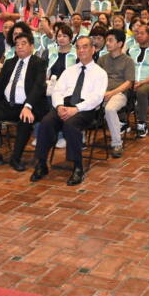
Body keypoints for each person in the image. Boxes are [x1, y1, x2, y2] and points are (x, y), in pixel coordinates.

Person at [30, 36, 108, 186]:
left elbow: (97, 98)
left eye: (85, 47)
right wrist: (59, 106)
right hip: (64, 105)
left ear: (93, 49)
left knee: (71, 125)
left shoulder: (100, 73)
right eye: (78, 47)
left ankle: (78, 166)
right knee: (46, 122)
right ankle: (41, 163)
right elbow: (57, 91)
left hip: (85, 108)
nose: (81, 50)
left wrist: (76, 109)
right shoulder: (69, 71)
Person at [0, 31, 47, 171]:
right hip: (7, 104)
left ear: (32, 46)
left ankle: (16, 158)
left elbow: (38, 87)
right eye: (17, 44)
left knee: (25, 120)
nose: (19, 47)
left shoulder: (39, 63)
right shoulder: (9, 63)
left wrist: (28, 106)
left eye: (23, 44)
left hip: (29, 105)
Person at [97, 28, 135, 158]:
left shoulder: (128, 61)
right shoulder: (102, 59)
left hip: (119, 94)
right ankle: (81, 139)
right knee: (81, 105)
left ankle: (117, 144)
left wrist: (111, 93)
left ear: (119, 43)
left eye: (110, 40)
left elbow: (128, 83)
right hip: (102, 93)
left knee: (110, 109)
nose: (107, 43)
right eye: (106, 40)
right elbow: (96, 79)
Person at [126, 23, 149, 138]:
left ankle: (141, 124)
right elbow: (125, 68)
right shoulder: (131, 50)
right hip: (132, 82)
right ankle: (123, 121)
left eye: (142, 33)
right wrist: (130, 82)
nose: (138, 35)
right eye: (137, 33)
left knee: (141, 91)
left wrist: (142, 82)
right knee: (120, 90)